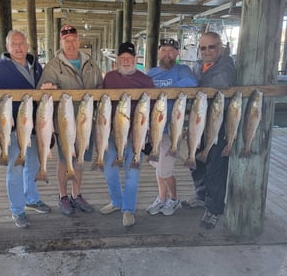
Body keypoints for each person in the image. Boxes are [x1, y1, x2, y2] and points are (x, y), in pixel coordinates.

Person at [0, 30, 51, 229]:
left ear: (27, 44)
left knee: (32, 165)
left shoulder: (36, 66)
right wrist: (0, 127)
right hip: (14, 130)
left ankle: (31, 198)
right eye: (13, 44)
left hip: (35, 127)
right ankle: (17, 209)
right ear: (7, 47)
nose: (18, 47)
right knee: (15, 170)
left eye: (21, 43)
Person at [37, 24, 103, 216]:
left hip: (86, 121)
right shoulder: (53, 66)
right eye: (67, 41)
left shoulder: (91, 63)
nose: (71, 44)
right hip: (64, 121)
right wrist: (46, 89)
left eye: (74, 40)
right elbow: (43, 90)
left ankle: (77, 194)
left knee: (80, 160)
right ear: (61, 42)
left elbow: (100, 86)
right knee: (65, 159)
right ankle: (63, 196)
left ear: (79, 40)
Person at [182, 31, 236, 229]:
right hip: (198, 123)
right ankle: (201, 195)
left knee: (215, 167)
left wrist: (192, 86)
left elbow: (219, 84)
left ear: (220, 47)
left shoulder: (226, 65)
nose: (207, 51)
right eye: (203, 48)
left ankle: (214, 209)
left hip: (219, 124)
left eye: (211, 47)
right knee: (196, 161)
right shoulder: (198, 66)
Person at [99, 42, 155, 227]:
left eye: (129, 58)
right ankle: (116, 201)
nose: (125, 61)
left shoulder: (146, 81)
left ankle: (128, 209)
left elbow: (154, 110)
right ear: (117, 61)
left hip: (136, 136)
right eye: (122, 58)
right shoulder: (109, 77)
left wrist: (150, 137)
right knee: (109, 171)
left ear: (135, 60)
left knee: (133, 175)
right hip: (113, 133)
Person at [146, 38, 198, 216]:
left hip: (171, 130)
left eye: (171, 51)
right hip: (153, 129)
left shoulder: (182, 70)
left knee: (165, 170)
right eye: (164, 50)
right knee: (158, 168)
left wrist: (165, 92)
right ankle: (162, 198)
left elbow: (192, 83)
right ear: (159, 52)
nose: (167, 54)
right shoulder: (151, 73)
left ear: (177, 54)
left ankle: (174, 199)